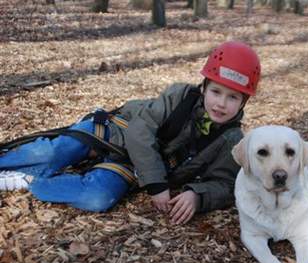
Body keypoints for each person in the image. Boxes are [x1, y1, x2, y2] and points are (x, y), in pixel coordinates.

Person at [0, 41, 261, 225]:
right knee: (56, 151)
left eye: (232, 97)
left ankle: (33, 182)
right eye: (216, 92)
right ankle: (15, 164)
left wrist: (198, 195)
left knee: (98, 196)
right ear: (204, 88)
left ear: (243, 102)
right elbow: (138, 131)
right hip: (113, 134)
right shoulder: (179, 96)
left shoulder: (233, 140)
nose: (221, 104)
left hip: (131, 168)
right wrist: (157, 185)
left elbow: (226, 184)